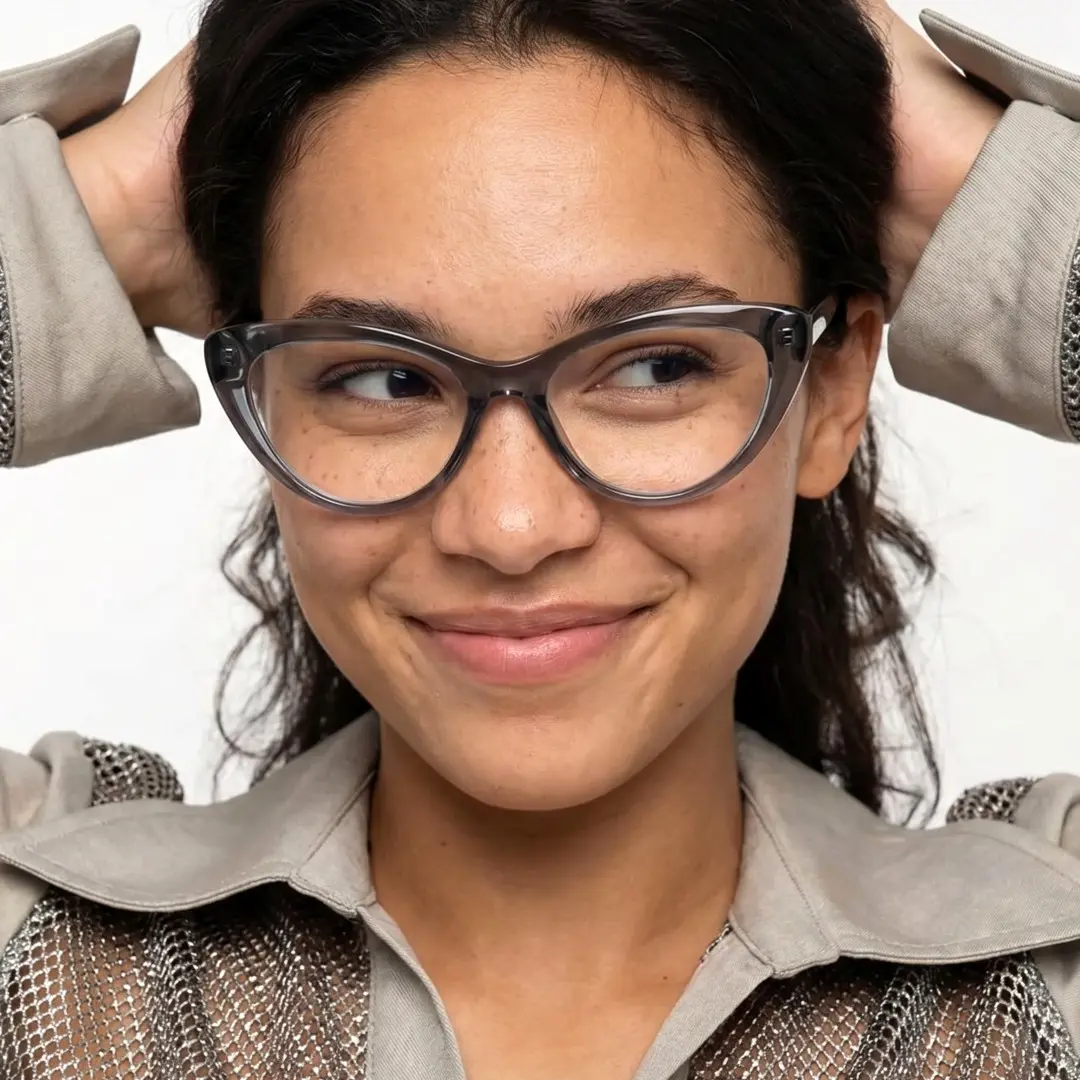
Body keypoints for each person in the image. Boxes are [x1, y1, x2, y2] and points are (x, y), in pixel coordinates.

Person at [0, 0, 1078, 1077]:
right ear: (273, 400)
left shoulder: (1047, 996)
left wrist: (994, 213)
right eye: (381, 376)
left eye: (655, 366)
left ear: (831, 390)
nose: (510, 529)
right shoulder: (39, 958)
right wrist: (109, 218)